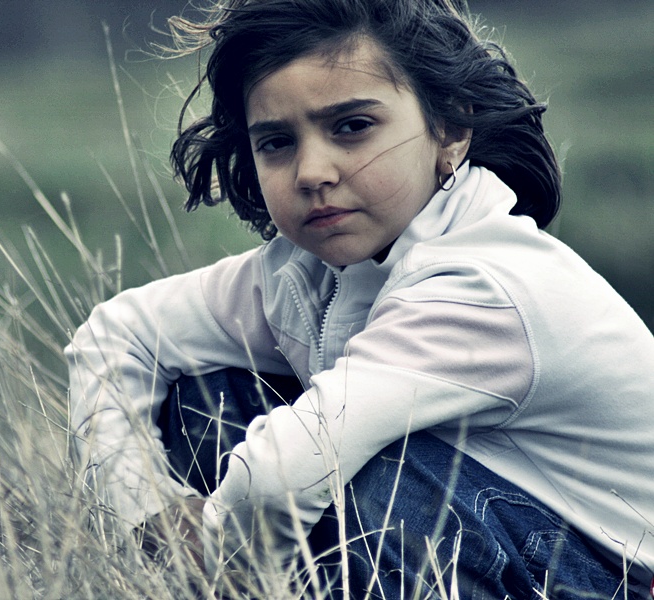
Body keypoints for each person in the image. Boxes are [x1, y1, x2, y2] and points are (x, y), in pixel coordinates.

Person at [66, 0, 654, 597]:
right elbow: (118, 335)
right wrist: (145, 514)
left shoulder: (484, 286)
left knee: (376, 476)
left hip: (614, 576)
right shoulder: (311, 270)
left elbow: (281, 477)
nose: (311, 172)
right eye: (277, 142)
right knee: (205, 389)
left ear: (450, 130)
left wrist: (206, 559)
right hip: (495, 543)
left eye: (352, 127)